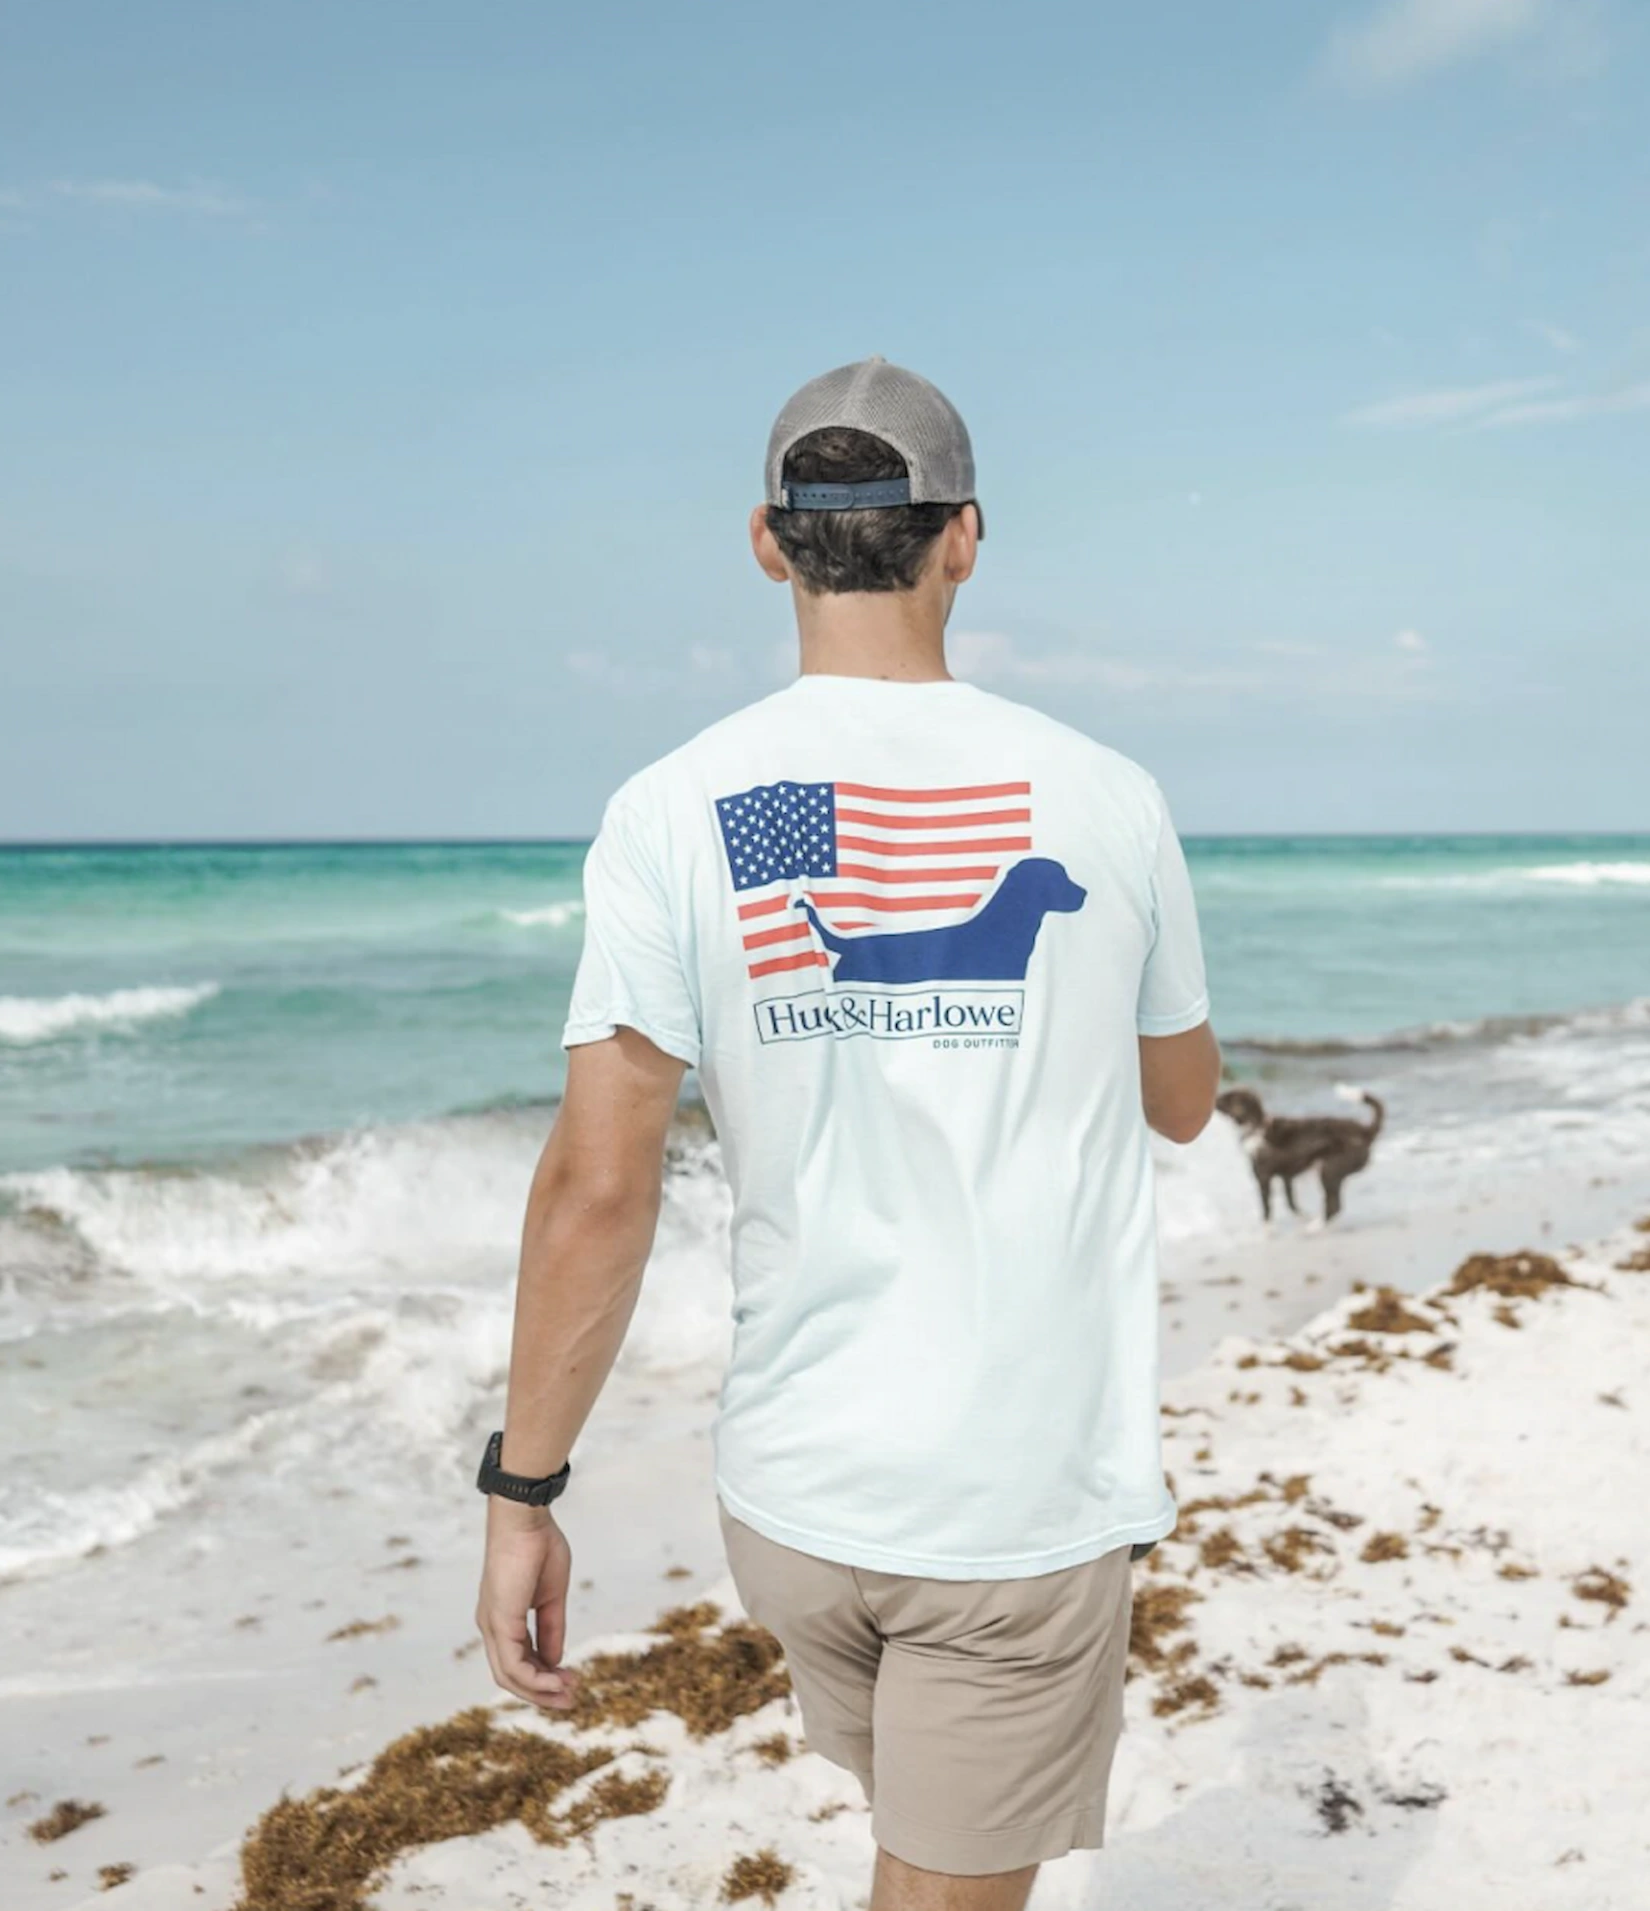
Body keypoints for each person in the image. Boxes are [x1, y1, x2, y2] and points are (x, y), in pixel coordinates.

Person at [475, 356, 1221, 1911]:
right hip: (1012, 1497)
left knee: (928, 1840)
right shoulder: (1107, 795)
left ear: (769, 541)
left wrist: (523, 1493)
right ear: (966, 536)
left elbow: (596, 1190)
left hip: (794, 1503)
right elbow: (1184, 1102)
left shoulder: (675, 807)